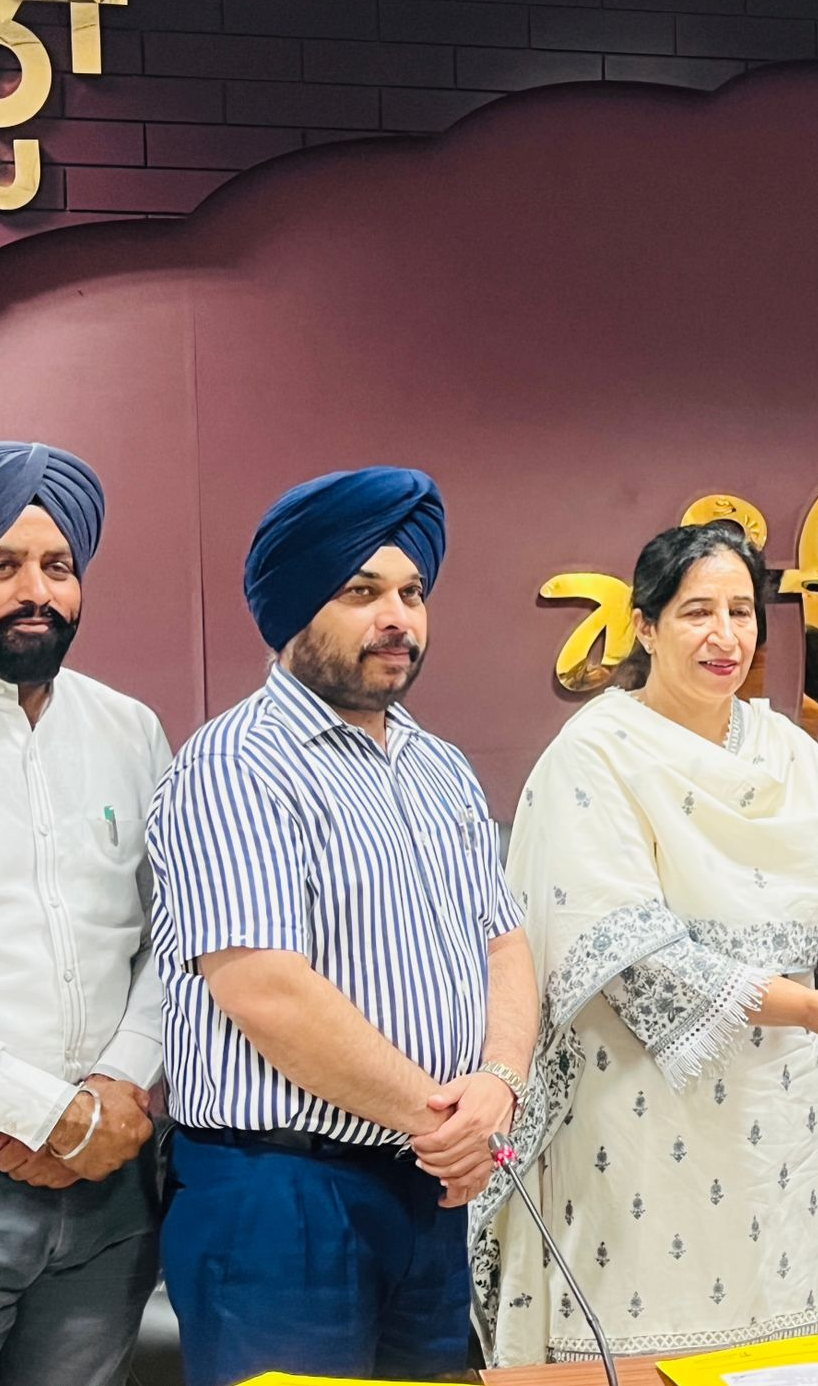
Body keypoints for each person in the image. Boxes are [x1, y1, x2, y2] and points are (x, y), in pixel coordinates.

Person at [477, 522, 818, 1365]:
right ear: (645, 627)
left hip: (773, 1122)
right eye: (696, 612)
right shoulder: (594, 755)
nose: (725, 635)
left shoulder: (789, 753)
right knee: (641, 1347)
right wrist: (814, 1008)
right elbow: (637, 959)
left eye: (741, 612)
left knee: (772, 1357)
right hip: (639, 1117)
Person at [146, 466, 539, 1386]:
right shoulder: (234, 765)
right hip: (279, 1196)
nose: (397, 617)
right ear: (294, 609)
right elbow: (268, 992)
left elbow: (504, 942)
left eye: (411, 593)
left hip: (428, 1187)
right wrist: (445, 1122)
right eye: (362, 592)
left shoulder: (440, 767)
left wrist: (499, 1084)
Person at [0, 440, 169, 1386]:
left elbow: (170, 937)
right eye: (0, 566)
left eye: (58, 566)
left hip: (111, 1194)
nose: (38, 591)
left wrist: (117, 1088)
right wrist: (47, 1114)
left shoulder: (128, 729)